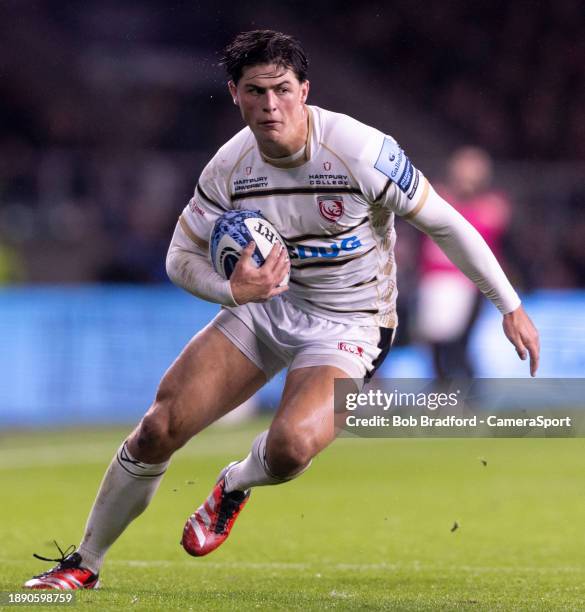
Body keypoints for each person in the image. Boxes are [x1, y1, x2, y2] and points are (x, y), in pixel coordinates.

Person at [24, 30, 539, 590]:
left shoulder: (360, 150)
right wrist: (233, 293)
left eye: (282, 90)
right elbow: (178, 258)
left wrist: (508, 304)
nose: (271, 105)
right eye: (256, 92)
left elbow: (445, 222)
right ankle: (85, 563)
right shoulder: (230, 168)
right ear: (234, 94)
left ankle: (234, 484)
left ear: (304, 90)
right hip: (265, 309)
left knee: (291, 448)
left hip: (352, 322)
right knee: (157, 429)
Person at [416, 146, 512, 378]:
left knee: (458, 344)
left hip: (469, 285)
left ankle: (467, 394)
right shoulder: (438, 197)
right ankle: (442, 392)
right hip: (433, 282)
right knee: (433, 344)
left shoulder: (491, 207)